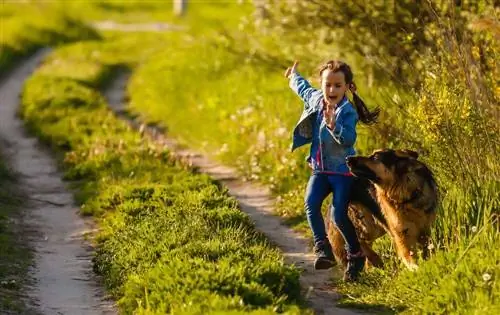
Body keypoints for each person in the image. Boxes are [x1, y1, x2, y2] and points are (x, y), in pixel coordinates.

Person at [285, 60, 379, 281]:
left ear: (348, 87)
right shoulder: (317, 99)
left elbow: (348, 140)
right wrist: (293, 76)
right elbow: (304, 89)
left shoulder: (348, 112)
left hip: (342, 173)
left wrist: (332, 125)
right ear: (322, 84)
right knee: (311, 204)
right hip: (320, 170)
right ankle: (322, 247)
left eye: (338, 85)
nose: (332, 90)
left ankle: (355, 253)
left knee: (338, 214)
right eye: (328, 85)